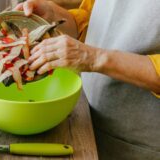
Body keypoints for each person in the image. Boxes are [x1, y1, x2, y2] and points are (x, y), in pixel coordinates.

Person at [14, 0, 160, 159]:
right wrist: (55, 15)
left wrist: (93, 57)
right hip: (90, 121)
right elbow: (96, 21)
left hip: (139, 142)